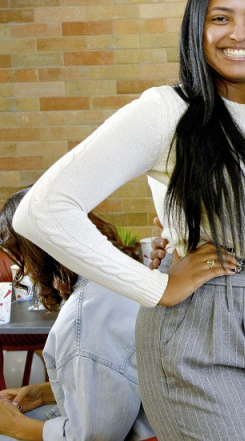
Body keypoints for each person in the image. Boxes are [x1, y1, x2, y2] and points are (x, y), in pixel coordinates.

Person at [13, 0, 245, 440]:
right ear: (196, 26)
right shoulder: (168, 109)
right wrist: (153, 287)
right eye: (220, 17)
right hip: (201, 333)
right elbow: (43, 210)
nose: (238, 34)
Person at [0, 188, 154, 441]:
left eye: (21, 258)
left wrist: (14, 425)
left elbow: (94, 436)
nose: (25, 271)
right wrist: (44, 393)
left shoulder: (85, 320)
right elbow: (123, 377)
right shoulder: (117, 281)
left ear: (37, 251)